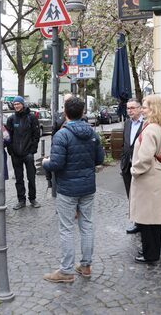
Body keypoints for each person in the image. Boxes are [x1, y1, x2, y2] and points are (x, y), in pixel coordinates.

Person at [42, 96, 105, 283]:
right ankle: (86, 265)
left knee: (67, 228)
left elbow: (56, 163)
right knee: (87, 225)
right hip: (87, 187)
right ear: (83, 112)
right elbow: (99, 159)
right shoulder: (92, 133)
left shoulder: (62, 134)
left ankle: (66, 271)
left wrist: (46, 162)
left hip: (68, 188)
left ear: (65, 112)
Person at [130, 94, 161, 265]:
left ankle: (149, 253)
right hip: (155, 176)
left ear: (153, 108)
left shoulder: (151, 129)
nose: (142, 109)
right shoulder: (157, 126)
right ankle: (152, 251)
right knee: (153, 219)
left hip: (147, 178)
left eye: (145, 106)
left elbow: (145, 158)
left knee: (146, 219)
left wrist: (134, 170)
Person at [6, 96, 41, 210]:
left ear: (23, 104)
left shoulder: (31, 118)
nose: (16, 106)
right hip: (16, 154)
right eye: (15, 104)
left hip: (28, 154)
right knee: (19, 179)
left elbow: (36, 135)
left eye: (18, 104)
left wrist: (32, 151)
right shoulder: (11, 119)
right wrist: (11, 151)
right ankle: (21, 200)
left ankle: (33, 199)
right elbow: (8, 137)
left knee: (31, 177)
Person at [120, 98, 144, 234]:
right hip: (127, 165)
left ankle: (142, 222)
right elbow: (125, 144)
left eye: (133, 108)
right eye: (128, 108)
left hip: (140, 166)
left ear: (140, 109)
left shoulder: (145, 124)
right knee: (131, 195)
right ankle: (136, 221)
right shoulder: (127, 123)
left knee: (140, 195)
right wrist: (123, 162)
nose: (130, 111)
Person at [45, 93, 74, 189]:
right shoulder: (59, 117)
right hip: (61, 150)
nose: (67, 103)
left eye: (69, 101)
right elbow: (54, 134)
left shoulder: (80, 117)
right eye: (65, 101)